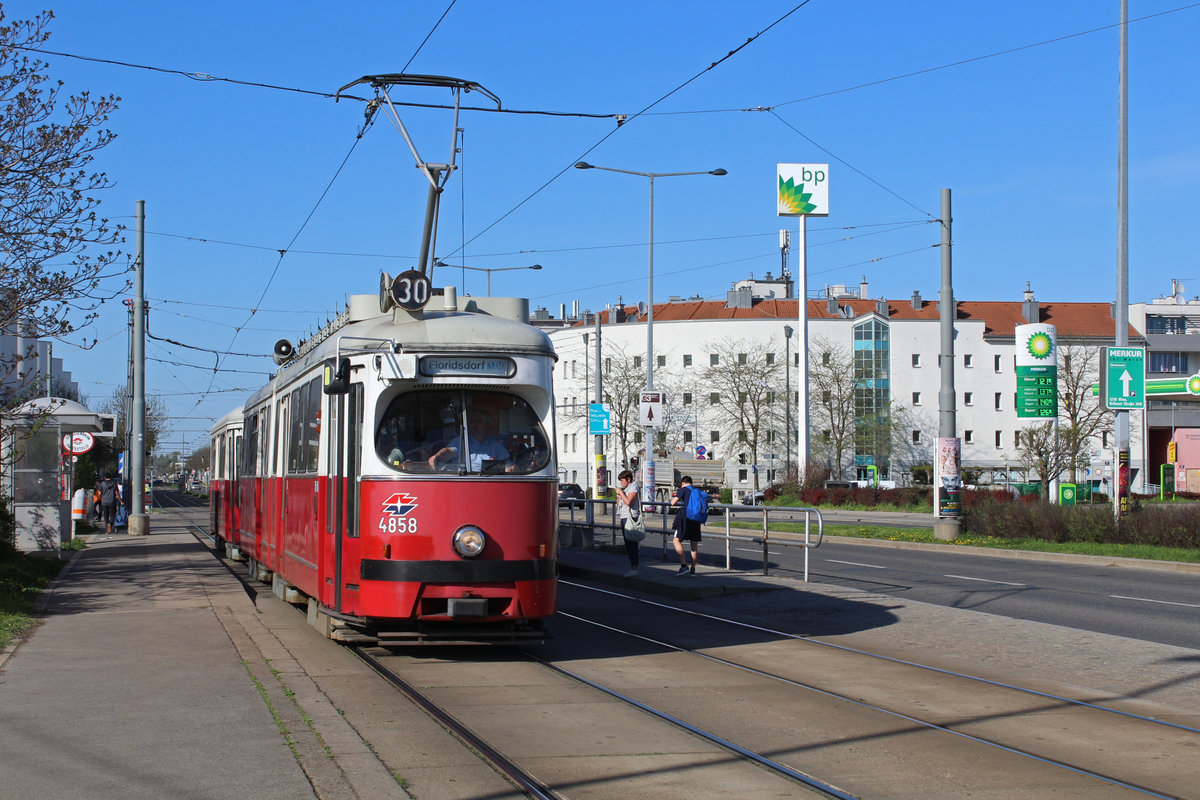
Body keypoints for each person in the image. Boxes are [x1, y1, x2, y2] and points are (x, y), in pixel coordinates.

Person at [428, 407, 513, 472]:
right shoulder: (461, 441)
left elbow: (508, 466)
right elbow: (449, 451)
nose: (474, 424)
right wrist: (437, 456)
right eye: (472, 421)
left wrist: (510, 469)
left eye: (479, 421)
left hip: (488, 485)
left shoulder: (496, 446)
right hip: (463, 482)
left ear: (487, 425)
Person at [669, 475, 702, 575]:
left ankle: (684, 566)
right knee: (694, 545)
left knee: (676, 540)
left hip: (685, 519)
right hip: (696, 518)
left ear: (683, 483)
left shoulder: (683, 490)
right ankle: (693, 569)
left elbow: (673, 503)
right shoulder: (697, 491)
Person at [614, 469, 640, 577]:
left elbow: (629, 502)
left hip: (631, 518)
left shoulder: (633, 487)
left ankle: (634, 568)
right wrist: (619, 495)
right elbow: (619, 504)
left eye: (622, 480)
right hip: (624, 517)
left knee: (631, 543)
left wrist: (621, 493)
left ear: (628, 479)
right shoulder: (626, 489)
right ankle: (633, 566)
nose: (621, 483)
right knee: (628, 544)